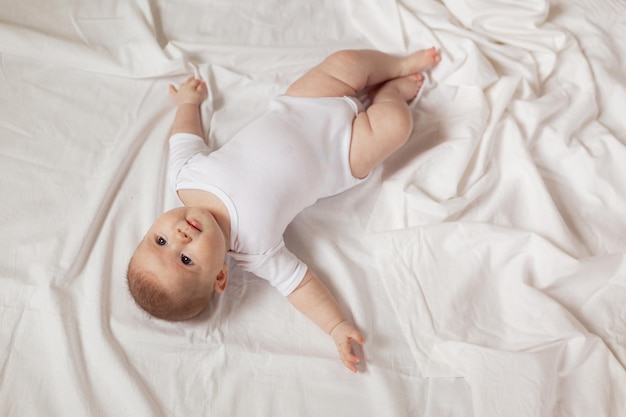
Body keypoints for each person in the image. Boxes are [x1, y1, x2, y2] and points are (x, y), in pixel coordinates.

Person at [127, 47, 441, 372]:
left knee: (346, 63)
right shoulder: (255, 251)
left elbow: (185, 137)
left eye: (160, 242)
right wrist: (335, 327)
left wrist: (188, 104)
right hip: (340, 156)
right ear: (220, 275)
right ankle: (389, 94)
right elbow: (300, 286)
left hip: (303, 105)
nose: (179, 238)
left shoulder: (184, 177)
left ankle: (398, 64)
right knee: (395, 126)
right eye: (187, 259)